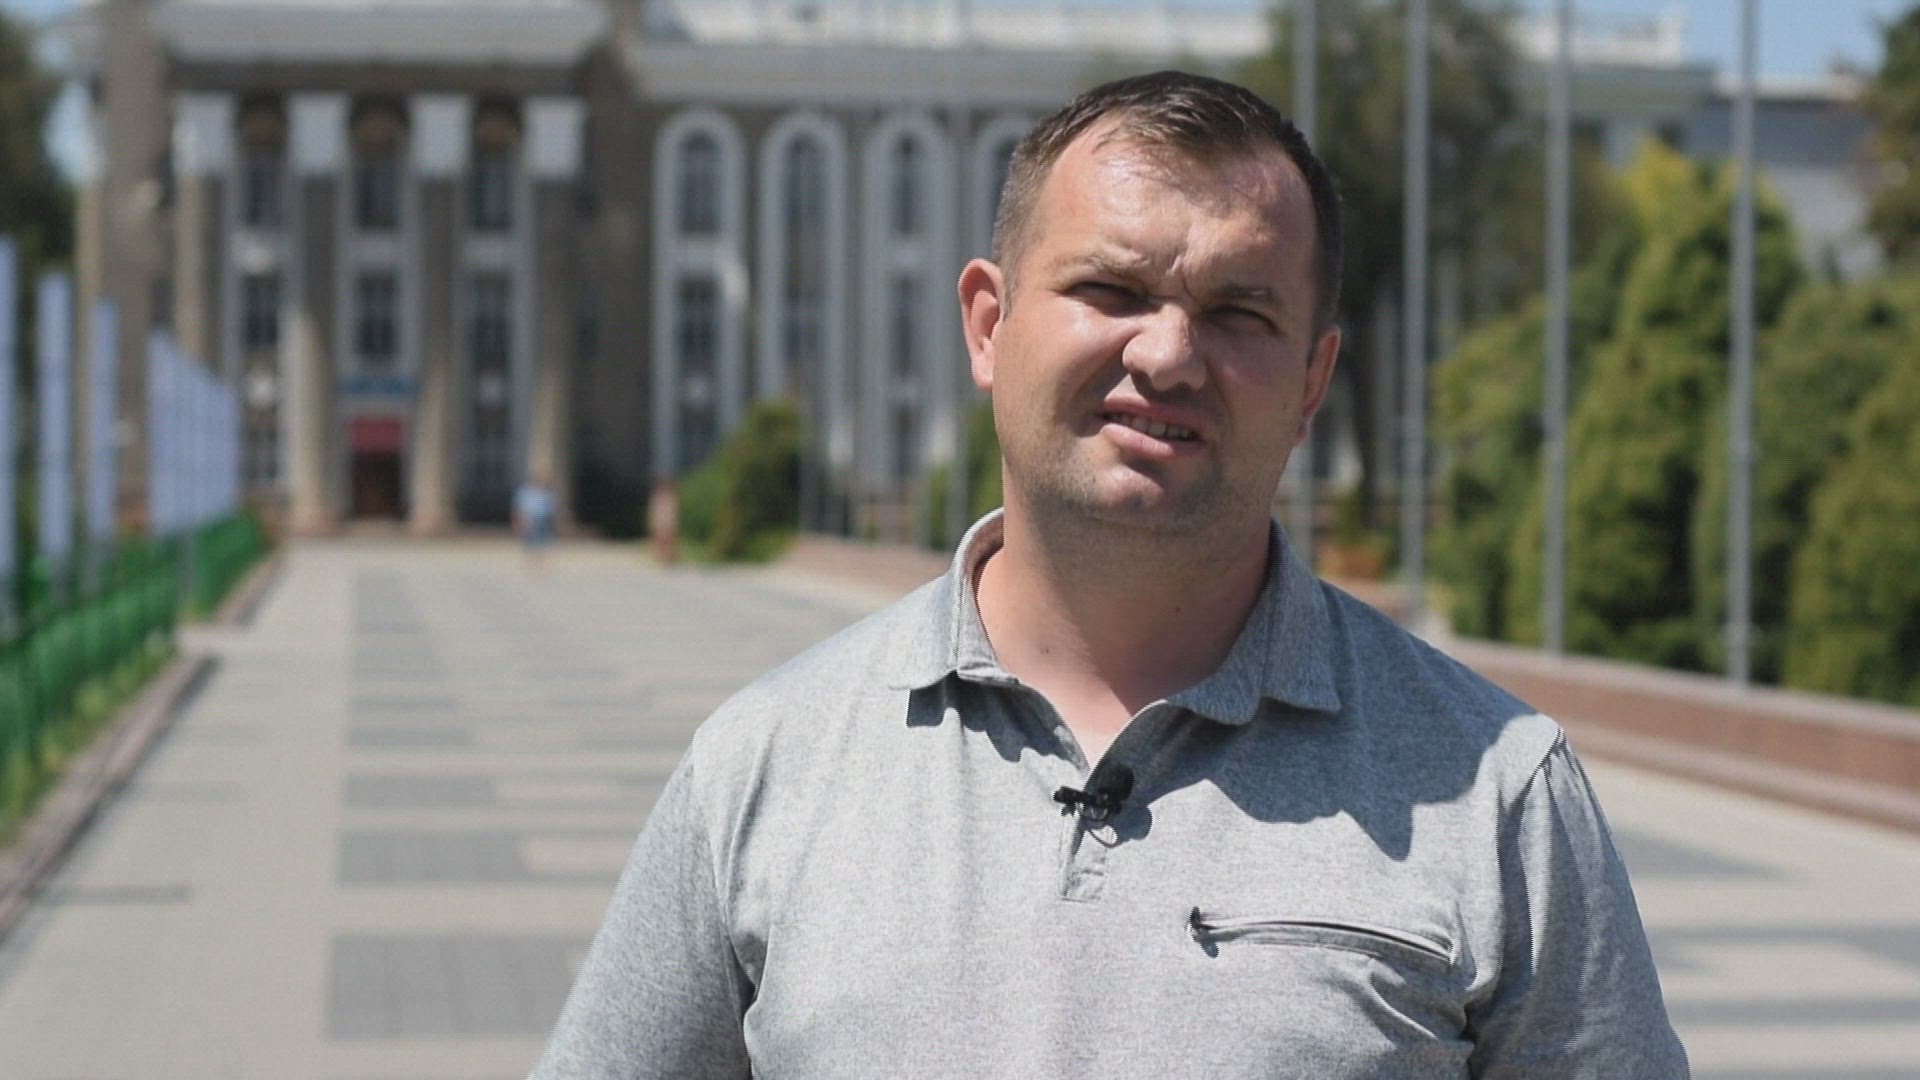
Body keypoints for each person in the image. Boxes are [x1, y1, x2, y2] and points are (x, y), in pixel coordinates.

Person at [531, 71, 1688, 1078]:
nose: (1169, 354)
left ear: (1310, 381)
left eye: (1239, 311)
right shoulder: (763, 767)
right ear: (988, 325)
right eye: (1113, 292)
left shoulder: (1497, 791)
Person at [514, 467, 558, 570]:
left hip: (545, 520)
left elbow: (553, 509)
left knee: (545, 544)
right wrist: (519, 523)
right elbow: (519, 508)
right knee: (531, 544)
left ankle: (542, 565)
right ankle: (532, 565)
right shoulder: (525, 491)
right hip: (531, 520)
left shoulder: (548, 492)